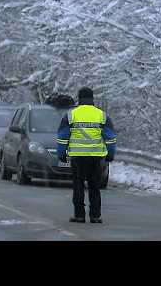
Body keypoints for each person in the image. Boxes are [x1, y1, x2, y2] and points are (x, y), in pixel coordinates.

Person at [57, 87, 117, 224]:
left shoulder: (71, 115)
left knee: (78, 185)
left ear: (79, 98)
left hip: (78, 156)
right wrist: (110, 154)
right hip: (96, 157)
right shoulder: (102, 115)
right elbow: (111, 138)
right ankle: (95, 216)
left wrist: (62, 154)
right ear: (92, 98)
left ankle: (79, 215)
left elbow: (62, 137)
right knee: (94, 186)